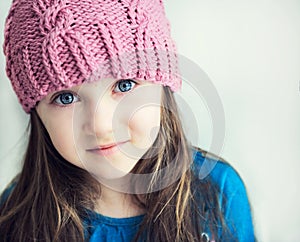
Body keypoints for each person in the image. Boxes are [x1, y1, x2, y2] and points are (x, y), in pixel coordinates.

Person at [0, 0, 255, 241]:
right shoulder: (14, 217)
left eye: (124, 85)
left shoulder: (217, 193)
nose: (100, 126)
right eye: (66, 98)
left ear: (162, 86)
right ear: (37, 114)